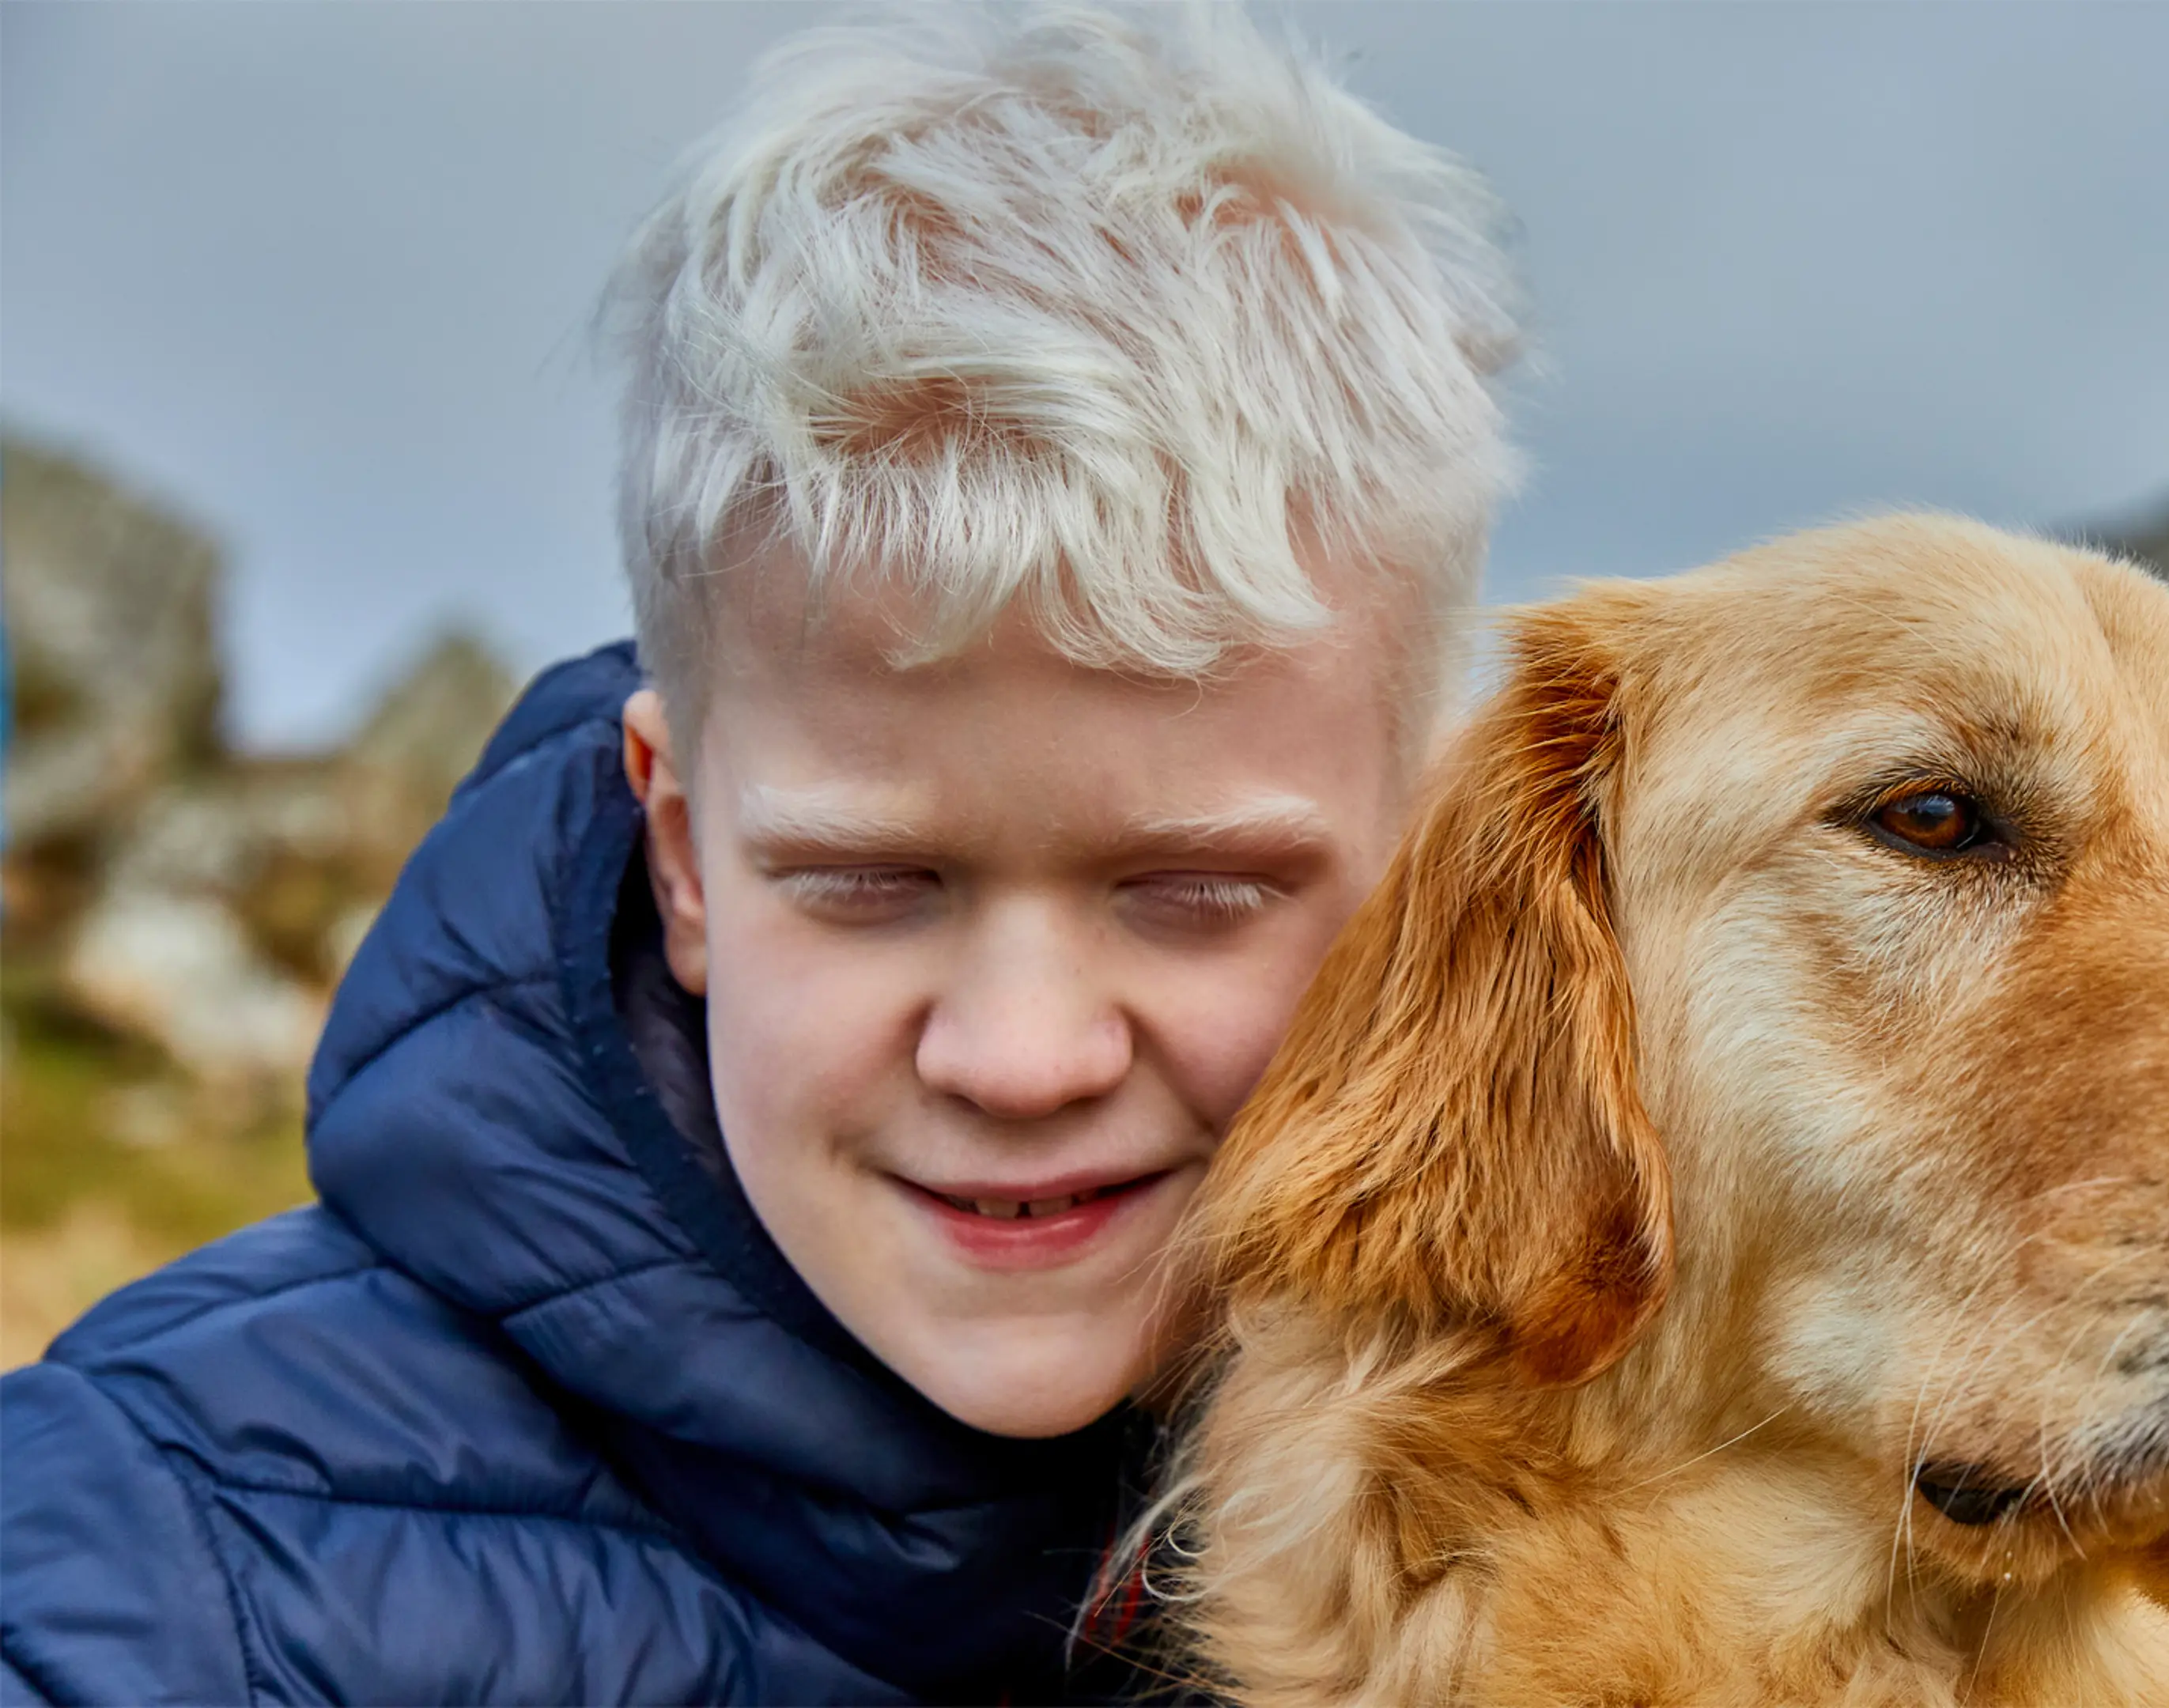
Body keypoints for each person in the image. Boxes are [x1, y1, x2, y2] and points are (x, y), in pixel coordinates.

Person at [0, 8, 1521, 1702]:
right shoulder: (130, 1577)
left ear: (1427, 861)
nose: (1021, 1058)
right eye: (873, 886)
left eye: (1195, 896)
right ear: (684, 856)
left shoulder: (1627, 1526)